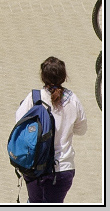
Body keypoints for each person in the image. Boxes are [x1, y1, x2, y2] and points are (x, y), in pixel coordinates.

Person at [14, 57, 88, 203]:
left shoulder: (34, 98)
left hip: (35, 167)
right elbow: (81, 129)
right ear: (64, 77)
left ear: (43, 77)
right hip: (63, 168)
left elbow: (18, 123)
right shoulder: (73, 100)